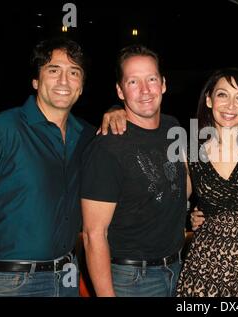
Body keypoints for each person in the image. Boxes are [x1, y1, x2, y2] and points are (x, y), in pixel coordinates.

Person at [80, 44, 189, 297]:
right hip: (132, 281)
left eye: (151, 79)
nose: (145, 90)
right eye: (132, 82)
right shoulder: (107, 145)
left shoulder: (174, 128)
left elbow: (180, 189)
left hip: (178, 269)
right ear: (120, 90)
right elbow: (93, 234)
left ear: (163, 84)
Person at [0, 37, 94, 297]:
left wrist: (117, 109)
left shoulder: (88, 135)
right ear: (35, 82)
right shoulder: (4, 128)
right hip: (10, 280)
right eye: (54, 70)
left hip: (67, 277)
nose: (64, 81)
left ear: (81, 87)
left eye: (74, 73)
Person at [177, 68, 238, 297]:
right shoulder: (189, 148)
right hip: (204, 270)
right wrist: (190, 214)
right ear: (209, 100)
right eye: (223, 95)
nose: (231, 105)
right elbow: (174, 203)